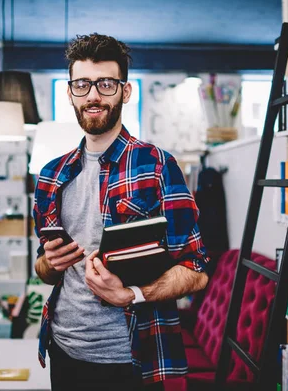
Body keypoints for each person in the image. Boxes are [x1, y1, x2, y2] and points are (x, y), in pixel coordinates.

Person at [33, 33, 210, 391]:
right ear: (70, 93)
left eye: (106, 84)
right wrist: (50, 263)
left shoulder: (158, 165)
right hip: (63, 349)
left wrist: (131, 294)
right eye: (82, 84)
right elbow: (43, 270)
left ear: (125, 92)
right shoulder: (50, 175)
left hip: (131, 357)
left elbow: (197, 271)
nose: (93, 95)